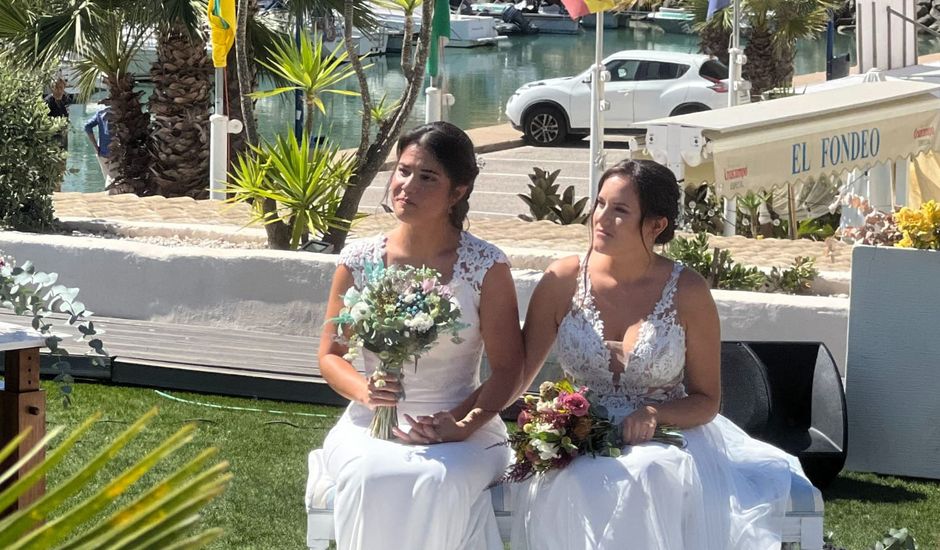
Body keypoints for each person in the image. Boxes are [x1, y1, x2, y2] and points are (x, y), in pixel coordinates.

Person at [511, 159, 810, 550]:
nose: (601, 218)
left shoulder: (688, 291)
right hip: (580, 436)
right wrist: (468, 418)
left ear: (656, 225)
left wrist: (655, 414)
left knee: (647, 473)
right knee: (571, 478)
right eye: (599, 204)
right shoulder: (562, 280)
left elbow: (707, 401)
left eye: (619, 210)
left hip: (666, 439)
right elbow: (517, 375)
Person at [315, 121, 524, 550]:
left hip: (462, 426)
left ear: (458, 192)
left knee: (435, 480)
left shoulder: (486, 266)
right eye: (403, 170)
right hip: (367, 423)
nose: (407, 185)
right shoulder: (358, 259)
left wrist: (461, 424)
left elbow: (508, 369)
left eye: (427, 177)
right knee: (369, 475)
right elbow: (331, 355)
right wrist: (367, 391)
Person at [84, 105, 117, 190]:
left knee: (108, 178)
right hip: (116, 153)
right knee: (111, 181)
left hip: (102, 152)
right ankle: (109, 199)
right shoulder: (120, 111)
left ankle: (109, 198)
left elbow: (87, 126)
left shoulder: (101, 111)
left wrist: (95, 146)